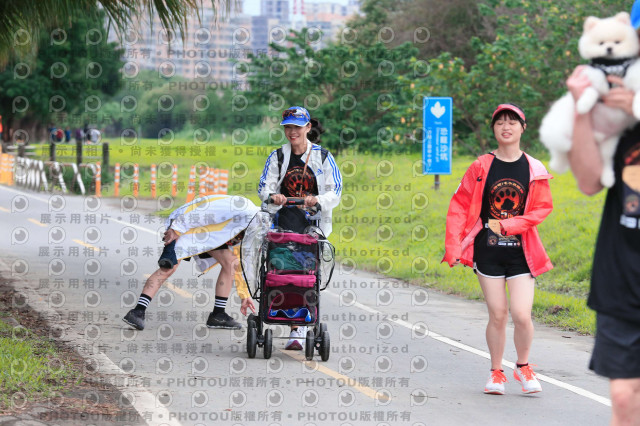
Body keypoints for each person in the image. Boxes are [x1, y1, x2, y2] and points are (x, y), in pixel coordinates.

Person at [442, 103, 553, 395]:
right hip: (487, 252)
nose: (506, 127)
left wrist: (509, 225)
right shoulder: (481, 166)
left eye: (512, 122)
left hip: (522, 253)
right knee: (498, 314)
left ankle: (523, 367)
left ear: (522, 128)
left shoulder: (534, 167)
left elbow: (542, 208)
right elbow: (459, 205)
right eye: (500, 122)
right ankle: (496, 373)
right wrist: (453, 245)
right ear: (493, 129)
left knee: (522, 315)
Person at [566, 4, 640, 421]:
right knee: (625, 398)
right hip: (623, 274)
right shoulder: (614, 105)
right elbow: (589, 181)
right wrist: (583, 108)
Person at [258, 106, 342, 350]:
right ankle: (281, 315)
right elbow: (264, 187)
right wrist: (274, 196)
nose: (292, 132)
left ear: (308, 128)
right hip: (281, 225)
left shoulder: (323, 157)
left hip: (311, 228)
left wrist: (318, 199)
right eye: (288, 127)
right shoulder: (278, 156)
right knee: (280, 274)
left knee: (305, 276)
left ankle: (299, 328)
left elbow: (335, 191)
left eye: (297, 127)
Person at [122, 194, 259, 331]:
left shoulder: (253, 228)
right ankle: (138, 311)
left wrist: (244, 295)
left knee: (231, 263)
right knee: (169, 268)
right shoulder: (245, 208)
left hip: (207, 234)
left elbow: (242, 262)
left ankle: (218, 314)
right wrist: (177, 229)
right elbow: (205, 210)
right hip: (185, 225)